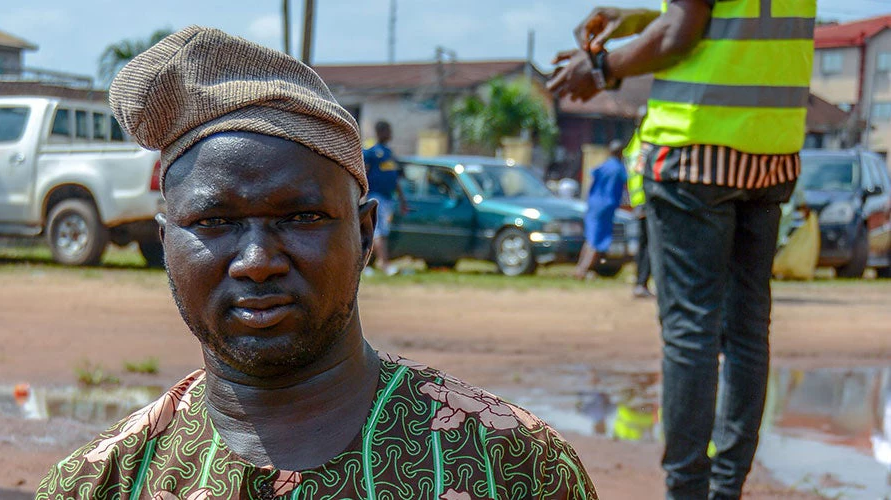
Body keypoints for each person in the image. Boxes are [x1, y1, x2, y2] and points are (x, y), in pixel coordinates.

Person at [39, 26, 598, 499]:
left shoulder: (513, 466)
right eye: (215, 223)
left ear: (363, 232)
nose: (257, 262)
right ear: (166, 243)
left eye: (301, 217)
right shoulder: (102, 483)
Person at [548, 0, 814, 498]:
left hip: (695, 149)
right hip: (772, 149)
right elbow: (733, 28)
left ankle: (688, 490)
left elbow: (681, 35)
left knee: (692, 332)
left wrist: (602, 67)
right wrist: (645, 19)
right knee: (748, 332)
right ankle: (727, 486)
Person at [574, 140, 627, 280]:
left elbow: (591, 177)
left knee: (591, 237)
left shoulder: (603, 165)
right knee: (597, 240)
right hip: (606, 206)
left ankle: (581, 268)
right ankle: (583, 270)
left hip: (593, 204)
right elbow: (626, 184)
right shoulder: (618, 168)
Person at [363, 120, 407, 276]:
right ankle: (384, 264)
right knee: (379, 230)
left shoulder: (389, 153)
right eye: (388, 131)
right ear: (380, 132)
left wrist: (402, 199)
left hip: (388, 198)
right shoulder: (371, 152)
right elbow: (364, 174)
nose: (390, 134)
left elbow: (395, 179)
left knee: (381, 231)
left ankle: (368, 264)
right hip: (376, 196)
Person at [625, 133, 654, 298]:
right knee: (650, 246)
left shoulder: (634, 143)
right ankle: (642, 283)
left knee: (643, 245)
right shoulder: (645, 142)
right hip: (647, 201)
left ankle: (640, 283)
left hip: (639, 201)